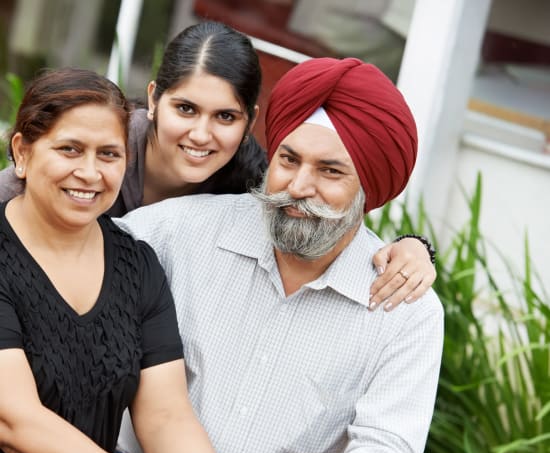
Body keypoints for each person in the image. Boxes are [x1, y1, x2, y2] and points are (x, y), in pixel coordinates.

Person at [116, 57, 444, 453]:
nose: (298, 186)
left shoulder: (403, 310)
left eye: (330, 172)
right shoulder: (173, 233)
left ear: (368, 190)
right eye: (288, 160)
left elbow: (390, 451)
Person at [0, 67, 281, 453]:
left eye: (108, 154)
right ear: (23, 153)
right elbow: (16, 423)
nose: (89, 172)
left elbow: (165, 413)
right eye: (70, 149)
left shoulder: (137, 264)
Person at [0, 21, 436, 309]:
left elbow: (317, 212)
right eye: (186, 109)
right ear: (153, 99)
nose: (201, 135)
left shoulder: (250, 183)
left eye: (225, 117)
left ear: (251, 121)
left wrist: (415, 247)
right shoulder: (102, 149)